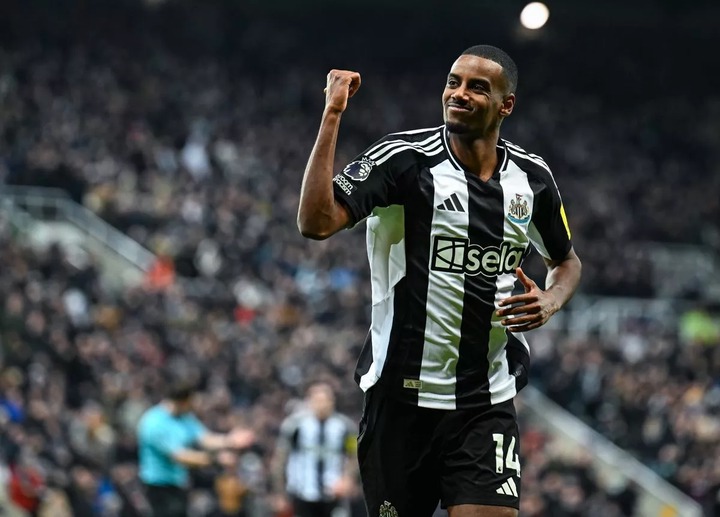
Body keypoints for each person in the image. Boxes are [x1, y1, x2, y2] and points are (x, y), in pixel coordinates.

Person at [297, 45, 582, 517]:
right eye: (453, 82)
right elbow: (316, 221)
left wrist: (551, 299)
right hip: (399, 399)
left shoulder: (531, 180)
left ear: (505, 105)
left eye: (477, 87)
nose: (459, 94)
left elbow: (567, 261)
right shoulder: (404, 160)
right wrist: (332, 114)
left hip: (484, 399)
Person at [136, 379, 255, 517]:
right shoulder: (154, 423)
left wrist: (230, 440)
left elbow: (204, 438)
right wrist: (215, 459)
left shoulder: (185, 417)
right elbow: (180, 456)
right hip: (158, 487)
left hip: (178, 484)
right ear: (183, 401)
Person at [271, 381, 357, 517]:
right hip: (302, 493)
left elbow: (354, 455)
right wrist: (280, 492)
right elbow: (281, 459)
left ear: (332, 401)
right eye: (317, 400)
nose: (322, 405)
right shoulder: (293, 426)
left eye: (325, 400)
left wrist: (348, 478)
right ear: (309, 401)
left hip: (334, 494)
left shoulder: (346, 427)